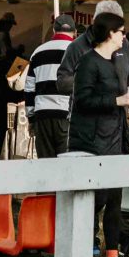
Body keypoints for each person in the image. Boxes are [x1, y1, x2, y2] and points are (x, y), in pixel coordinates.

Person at [67, 11, 129, 257]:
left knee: (115, 197)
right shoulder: (88, 62)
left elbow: (119, 108)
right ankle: (78, 241)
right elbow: (82, 101)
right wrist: (115, 100)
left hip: (114, 139)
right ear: (110, 33)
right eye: (122, 32)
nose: (124, 36)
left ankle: (112, 253)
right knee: (98, 196)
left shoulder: (115, 63)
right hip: (93, 141)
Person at [27, 11, 82, 158]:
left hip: (42, 116)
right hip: (67, 116)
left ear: (53, 30)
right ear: (75, 32)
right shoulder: (79, 51)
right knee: (67, 167)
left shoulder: (37, 52)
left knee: (46, 166)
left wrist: (31, 119)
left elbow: (29, 88)